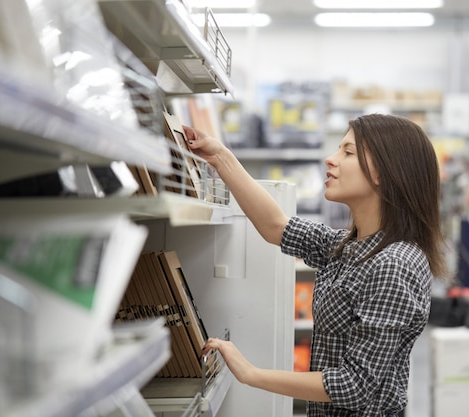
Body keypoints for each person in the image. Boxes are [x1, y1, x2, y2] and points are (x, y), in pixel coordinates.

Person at [183, 113, 449, 417]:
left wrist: (250, 374)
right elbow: (276, 226)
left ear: (384, 173)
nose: (331, 159)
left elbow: (355, 385)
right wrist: (221, 158)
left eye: (348, 152)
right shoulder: (349, 248)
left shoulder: (393, 264)